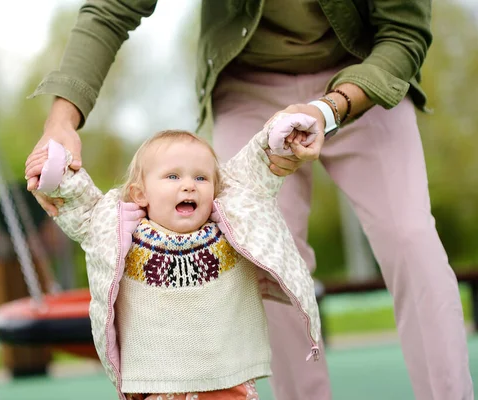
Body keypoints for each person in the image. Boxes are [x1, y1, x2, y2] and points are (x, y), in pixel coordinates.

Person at [24, 1, 474, 399]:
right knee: (255, 249)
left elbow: (405, 33)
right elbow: (110, 8)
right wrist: (62, 120)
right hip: (249, 82)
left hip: (362, 78)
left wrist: (328, 108)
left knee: (410, 238)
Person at [33, 119, 322, 400]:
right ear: (140, 194)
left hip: (228, 380)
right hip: (157, 383)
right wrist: (57, 173)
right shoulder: (117, 231)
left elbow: (253, 174)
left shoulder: (231, 222)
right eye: (173, 176)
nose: (189, 185)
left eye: (201, 177)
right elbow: (82, 208)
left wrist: (274, 143)